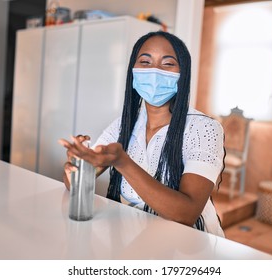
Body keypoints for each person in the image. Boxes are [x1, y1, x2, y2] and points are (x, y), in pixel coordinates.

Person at [59, 31, 225, 237]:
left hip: (192, 245)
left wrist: (123, 162)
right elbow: (72, 184)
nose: (154, 71)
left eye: (167, 64)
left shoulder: (204, 128)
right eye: (145, 62)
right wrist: (79, 165)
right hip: (139, 237)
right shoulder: (123, 125)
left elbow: (186, 214)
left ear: (183, 74)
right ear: (133, 71)